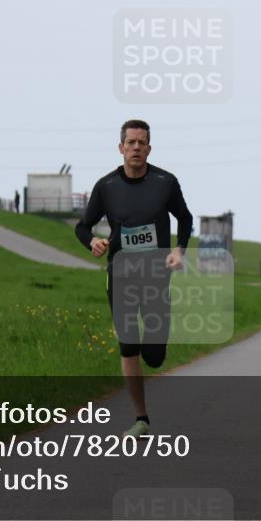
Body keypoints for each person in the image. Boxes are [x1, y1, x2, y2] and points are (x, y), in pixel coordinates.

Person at [75, 119, 192, 438]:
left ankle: (155, 349)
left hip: (155, 275)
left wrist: (179, 250)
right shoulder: (107, 186)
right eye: (131, 142)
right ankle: (141, 419)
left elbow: (184, 218)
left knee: (153, 357)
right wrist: (93, 242)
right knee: (128, 346)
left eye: (142, 143)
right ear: (121, 148)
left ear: (149, 148)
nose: (136, 147)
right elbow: (83, 227)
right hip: (121, 274)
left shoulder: (165, 182)